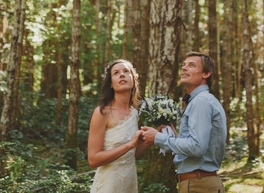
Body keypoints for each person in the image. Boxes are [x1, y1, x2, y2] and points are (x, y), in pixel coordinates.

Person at [141, 52, 227, 193]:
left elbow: (197, 147)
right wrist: (175, 137)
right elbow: (197, 144)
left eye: (191, 65)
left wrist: (158, 138)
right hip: (199, 183)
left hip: (198, 185)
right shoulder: (200, 100)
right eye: (184, 65)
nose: (184, 68)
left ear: (206, 74)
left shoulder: (201, 102)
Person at [88, 59, 149, 193]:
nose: (122, 75)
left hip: (129, 184)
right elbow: (93, 160)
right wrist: (129, 145)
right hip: (108, 186)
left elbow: (131, 154)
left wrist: (153, 136)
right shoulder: (102, 112)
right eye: (116, 73)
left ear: (133, 79)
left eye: (126, 71)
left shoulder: (134, 113)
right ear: (110, 84)